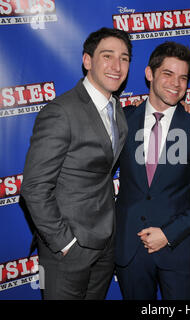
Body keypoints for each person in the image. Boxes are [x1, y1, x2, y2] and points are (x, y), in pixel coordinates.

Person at [20, 27, 131, 300]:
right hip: (68, 250)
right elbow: (34, 188)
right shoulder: (61, 112)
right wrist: (65, 242)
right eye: (107, 56)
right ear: (87, 61)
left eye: (125, 58)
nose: (117, 66)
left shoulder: (117, 110)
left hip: (105, 244)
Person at [115, 41, 190, 300]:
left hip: (177, 248)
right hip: (130, 249)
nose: (176, 83)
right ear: (150, 74)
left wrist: (168, 234)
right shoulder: (122, 120)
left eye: (183, 77)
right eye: (168, 74)